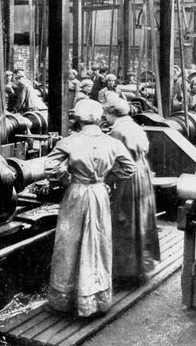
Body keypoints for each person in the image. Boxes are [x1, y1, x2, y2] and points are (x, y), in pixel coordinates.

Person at [44, 100, 136, 318]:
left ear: (78, 119)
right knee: (97, 242)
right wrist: (108, 178)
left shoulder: (70, 141)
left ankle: (65, 300)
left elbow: (49, 167)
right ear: (99, 118)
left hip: (76, 193)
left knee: (69, 242)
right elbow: (129, 168)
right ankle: (95, 300)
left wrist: (66, 179)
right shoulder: (111, 142)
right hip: (99, 193)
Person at [103, 97, 160, 286]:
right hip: (142, 172)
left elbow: (111, 158)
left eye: (106, 114)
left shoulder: (117, 130)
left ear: (113, 113)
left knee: (126, 220)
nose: (104, 117)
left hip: (129, 178)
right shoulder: (135, 126)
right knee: (141, 219)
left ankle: (127, 273)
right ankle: (142, 268)